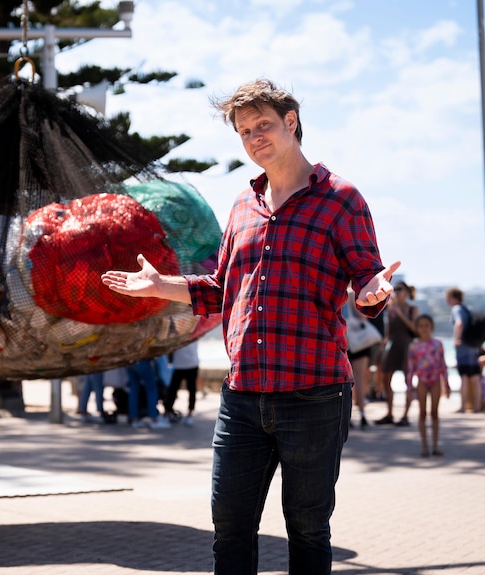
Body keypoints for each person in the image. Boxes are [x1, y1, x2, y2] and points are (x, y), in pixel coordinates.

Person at [101, 78, 399, 575]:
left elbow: (367, 276)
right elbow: (221, 289)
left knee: (307, 530)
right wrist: (160, 286)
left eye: (263, 124)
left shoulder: (341, 198)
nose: (254, 136)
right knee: (230, 530)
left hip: (314, 394)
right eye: (244, 131)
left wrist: (372, 292)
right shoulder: (242, 204)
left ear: (292, 122)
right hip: (242, 397)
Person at [374, 281, 419, 426]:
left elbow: (415, 329)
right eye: (396, 289)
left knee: (408, 381)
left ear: (406, 291)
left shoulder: (413, 309)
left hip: (407, 346)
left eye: (400, 289)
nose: (397, 292)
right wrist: (384, 342)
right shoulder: (391, 309)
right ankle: (390, 413)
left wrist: (401, 313)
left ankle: (405, 415)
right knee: (386, 378)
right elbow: (389, 330)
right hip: (393, 346)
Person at [405, 315, 448, 457]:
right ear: (417, 329)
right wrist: (409, 388)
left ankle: (435, 446)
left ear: (432, 327)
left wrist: (446, 384)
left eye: (427, 325)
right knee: (422, 412)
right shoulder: (414, 346)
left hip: (435, 381)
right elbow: (410, 368)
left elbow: (443, 365)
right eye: (421, 326)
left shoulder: (438, 344)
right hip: (422, 382)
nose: (424, 328)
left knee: (434, 413)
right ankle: (425, 446)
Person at [445, 287, 483, 413]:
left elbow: (459, 323)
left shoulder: (456, 309)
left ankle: (463, 406)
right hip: (474, 347)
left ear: (452, 298)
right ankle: (477, 406)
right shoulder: (468, 308)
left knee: (464, 377)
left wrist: (456, 339)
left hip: (463, 348)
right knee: (476, 377)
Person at [346, 291, 372, 429]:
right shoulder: (354, 293)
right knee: (360, 379)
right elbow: (363, 317)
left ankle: (348, 415)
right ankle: (362, 414)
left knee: (347, 380)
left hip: (345, 339)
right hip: (359, 340)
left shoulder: (340, 291)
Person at [164, 340, 201, 426]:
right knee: (173, 389)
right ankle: (168, 412)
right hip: (179, 364)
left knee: (191, 389)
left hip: (192, 364)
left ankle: (190, 413)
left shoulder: (194, 330)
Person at [125, 358, 170, 430]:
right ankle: (154, 419)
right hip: (141, 360)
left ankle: (134, 419)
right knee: (151, 388)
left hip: (129, 361)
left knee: (134, 389)